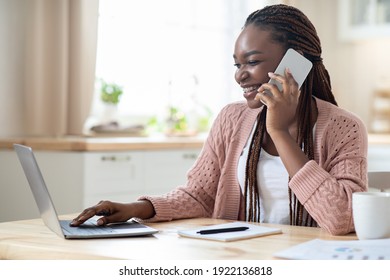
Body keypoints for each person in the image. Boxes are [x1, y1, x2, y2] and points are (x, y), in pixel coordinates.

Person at [71, 4, 368, 235]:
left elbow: (341, 217)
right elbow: (200, 195)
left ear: (297, 62)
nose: (239, 74)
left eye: (252, 62)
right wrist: (136, 208)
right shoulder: (231, 118)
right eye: (237, 64)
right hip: (240, 258)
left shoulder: (345, 128)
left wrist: (278, 130)